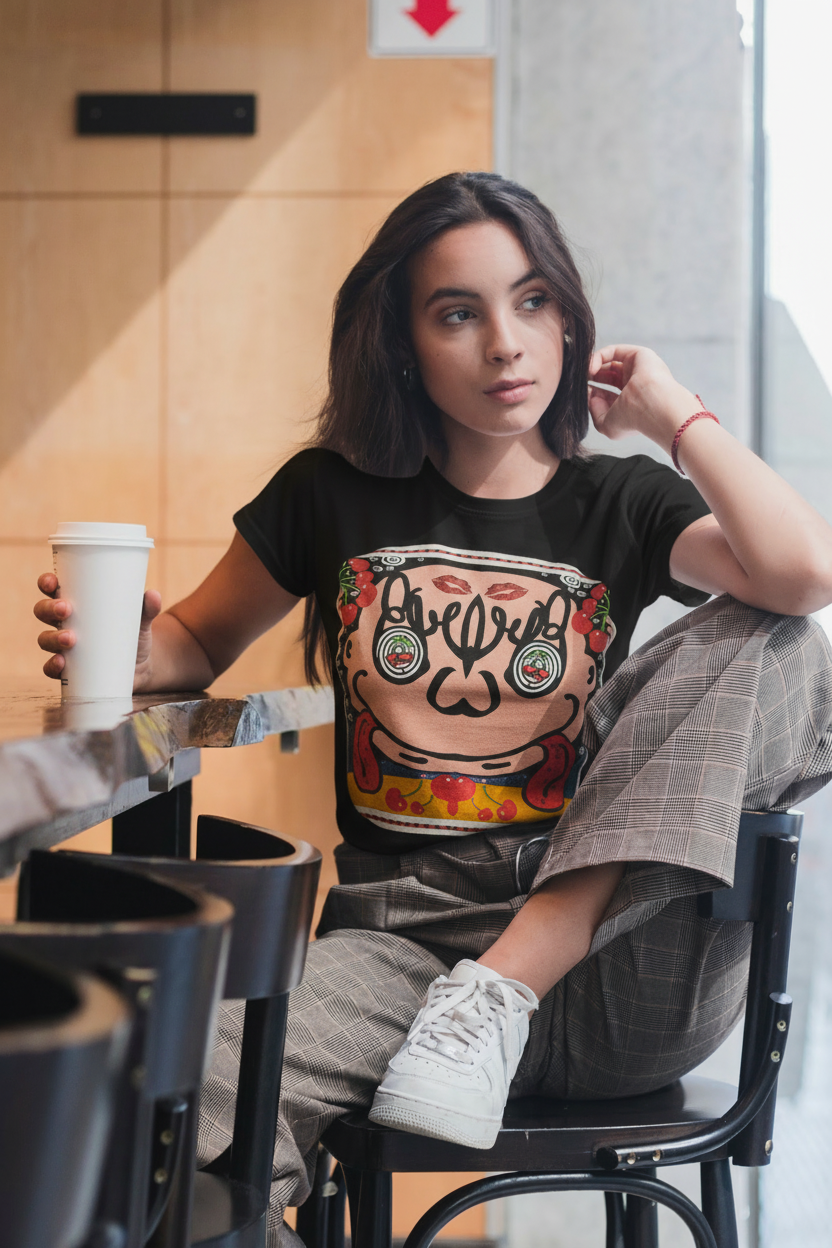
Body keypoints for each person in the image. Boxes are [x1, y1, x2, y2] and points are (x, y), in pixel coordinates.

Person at [34, 172, 832, 1244]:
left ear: (568, 318)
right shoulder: (328, 493)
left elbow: (801, 573)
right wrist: (131, 651)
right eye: (459, 313)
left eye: (534, 300)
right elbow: (191, 646)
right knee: (166, 1096)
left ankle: (505, 984)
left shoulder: (624, 502)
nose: (506, 343)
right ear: (402, 344)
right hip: (399, 955)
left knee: (777, 636)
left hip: (616, 971)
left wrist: (672, 417)